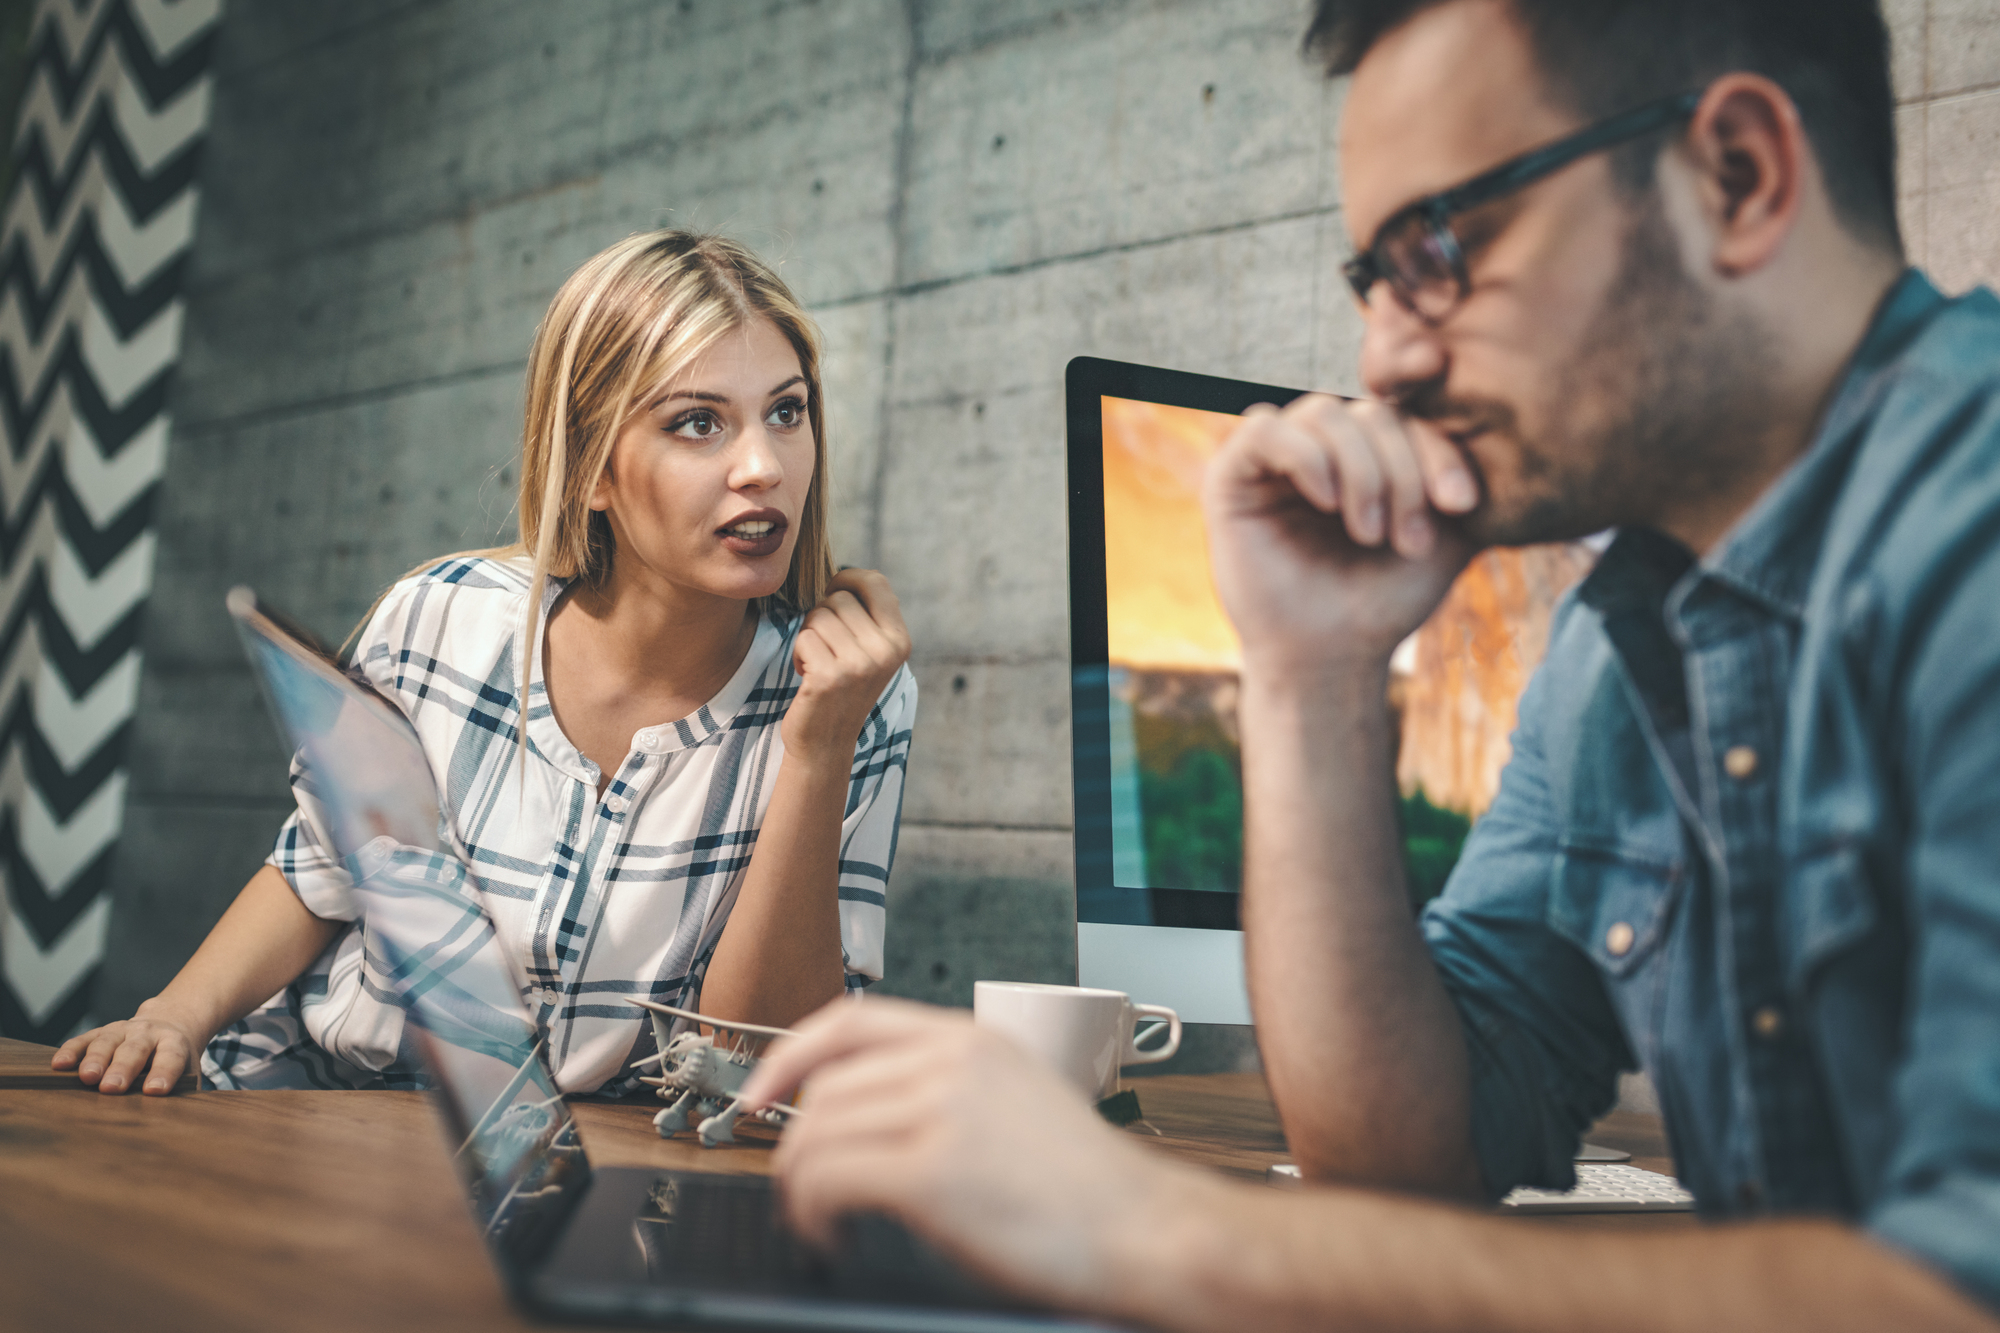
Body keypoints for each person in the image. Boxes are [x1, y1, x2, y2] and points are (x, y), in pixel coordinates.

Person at [737, 2, 2000, 1329]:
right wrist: (1309, 670)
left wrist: (1160, 1224)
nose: (1383, 360)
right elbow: (1412, 1153)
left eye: (1443, 247)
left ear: (1738, 174)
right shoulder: (1615, 652)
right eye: (1374, 282)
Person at [54, 230, 917, 1096]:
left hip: (578, 1176)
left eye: (787, 410)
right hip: (324, 1099)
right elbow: (322, 868)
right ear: (591, 471)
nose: (764, 466)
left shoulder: (855, 695)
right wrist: (174, 1014)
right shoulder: (442, 616)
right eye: (698, 422)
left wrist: (818, 749)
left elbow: (756, 1064)